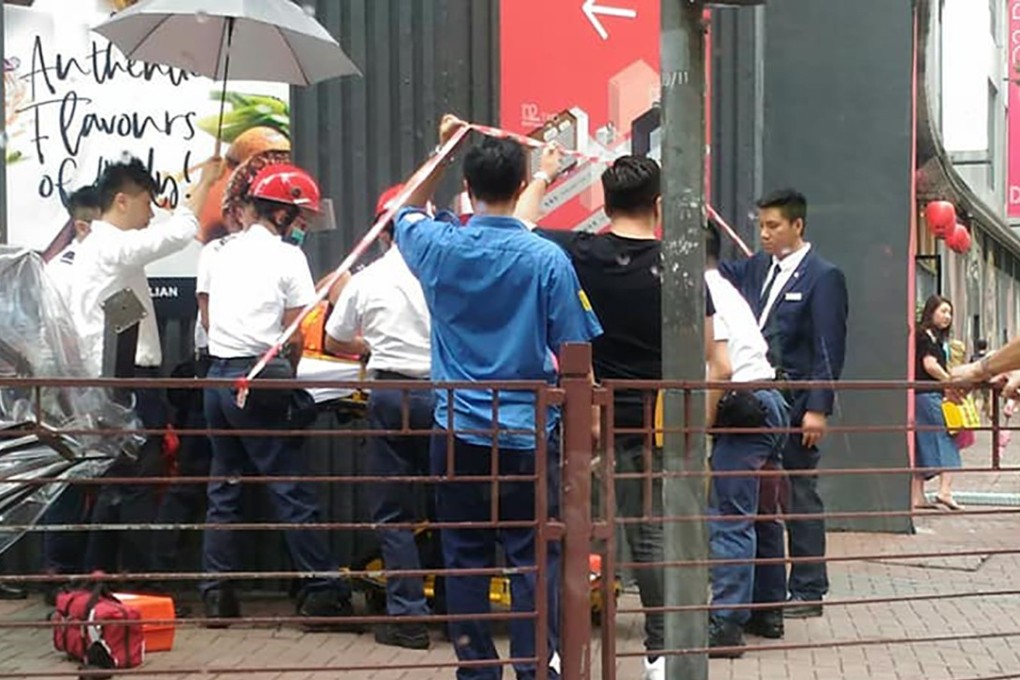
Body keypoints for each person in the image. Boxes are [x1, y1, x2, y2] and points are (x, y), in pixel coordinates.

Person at [393, 114, 603, 680]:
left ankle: (477, 671)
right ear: (519, 187)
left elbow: (402, 211)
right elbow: (576, 347)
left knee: (462, 558)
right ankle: (538, 667)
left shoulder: (437, 247)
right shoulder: (547, 260)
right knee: (533, 557)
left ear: (467, 187)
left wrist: (440, 153)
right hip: (527, 433)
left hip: (457, 432)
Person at [518, 153, 666, 680]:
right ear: (658, 204)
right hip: (646, 421)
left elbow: (521, 224)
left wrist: (544, 171)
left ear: (603, 202)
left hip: (580, 417)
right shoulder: (676, 262)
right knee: (647, 535)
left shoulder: (578, 251)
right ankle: (660, 654)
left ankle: (560, 649)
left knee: (569, 531)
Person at [200, 162, 354, 627]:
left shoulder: (215, 252)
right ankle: (322, 587)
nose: (304, 225)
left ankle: (217, 593)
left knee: (225, 487)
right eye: (300, 215)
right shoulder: (289, 259)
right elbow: (297, 330)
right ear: (283, 215)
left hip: (218, 381)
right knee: (289, 486)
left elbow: (206, 320)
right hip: (260, 377)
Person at [66, 155, 221, 577]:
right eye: (146, 203)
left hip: (126, 376)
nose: (151, 213)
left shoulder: (107, 254)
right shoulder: (109, 247)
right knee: (135, 479)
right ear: (121, 201)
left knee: (123, 481)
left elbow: (155, 236)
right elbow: (170, 236)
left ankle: (103, 576)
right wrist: (204, 185)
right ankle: (133, 582)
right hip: (123, 381)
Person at [718, 188, 848, 619]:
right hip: (757, 398)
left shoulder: (823, 276)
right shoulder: (757, 268)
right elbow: (714, 274)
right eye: (761, 225)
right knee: (764, 494)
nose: (765, 233)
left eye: (774, 226)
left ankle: (809, 588)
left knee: (800, 490)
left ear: (798, 225)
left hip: (796, 399)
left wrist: (818, 407)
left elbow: (828, 346)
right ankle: (763, 595)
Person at [323, 184, 437, 650]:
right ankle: (456, 610)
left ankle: (408, 618)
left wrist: (371, 346)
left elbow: (334, 340)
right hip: (445, 395)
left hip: (390, 394)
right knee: (451, 509)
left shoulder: (366, 279)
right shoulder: (445, 275)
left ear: (382, 232)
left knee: (393, 513)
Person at [704, 223, 790, 655]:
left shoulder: (704, 291)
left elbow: (718, 369)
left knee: (731, 517)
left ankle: (726, 623)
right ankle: (768, 611)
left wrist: (699, 424)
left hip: (743, 407)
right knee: (762, 513)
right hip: (769, 400)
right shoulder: (725, 287)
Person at [39, 184, 102, 600]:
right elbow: (51, 335)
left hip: (101, 384)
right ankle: (59, 569)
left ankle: (82, 569)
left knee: (96, 478)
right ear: (81, 225)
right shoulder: (59, 271)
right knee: (68, 477)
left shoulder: (107, 264)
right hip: (70, 387)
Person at [912, 295, 963, 510]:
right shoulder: (926, 338)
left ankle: (918, 496)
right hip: (931, 395)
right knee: (949, 437)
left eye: (949, 313)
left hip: (919, 396)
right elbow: (930, 365)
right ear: (931, 311)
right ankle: (945, 490)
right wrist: (949, 381)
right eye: (943, 311)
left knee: (921, 444)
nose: (947, 317)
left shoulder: (926, 337)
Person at [45, 185, 101, 306]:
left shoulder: (124, 259)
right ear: (82, 228)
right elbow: (56, 322)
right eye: (108, 226)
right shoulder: (61, 271)